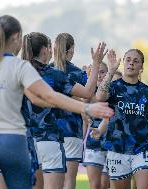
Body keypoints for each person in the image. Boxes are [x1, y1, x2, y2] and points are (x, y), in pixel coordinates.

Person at [0, 15, 113, 189]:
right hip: (11, 139)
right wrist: (87, 107)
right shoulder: (20, 67)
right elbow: (47, 97)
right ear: (16, 38)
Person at [21, 32, 107, 189]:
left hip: (25, 140)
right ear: (46, 50)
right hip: (51, 138)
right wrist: (96, 64)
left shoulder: (17, 71)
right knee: (68, 182)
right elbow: (89, 92)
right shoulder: (54, 74)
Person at [95, 49, 148, 189]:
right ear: (123, 63)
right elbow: (99, 97)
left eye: (136, 61)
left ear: (141, 67)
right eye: (128, 60)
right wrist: (110, 71)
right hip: (117, 150)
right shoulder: (114, 88)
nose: (131, 63)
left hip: (142, 150)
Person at [53, 33, 102, 189]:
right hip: (72, 130)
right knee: (69, 180)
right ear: (72, 49)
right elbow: (92, 94)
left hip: (49, 130)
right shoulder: (76, 73)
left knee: (51, 179)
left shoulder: (46, 70)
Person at [83, 62, 114, 189]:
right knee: (95, 186)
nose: (100, 75)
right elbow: (82, 111)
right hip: (93, 143)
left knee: (103, 185)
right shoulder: (88, 92)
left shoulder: (113, 91)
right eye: (97, 72)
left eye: (103, 72)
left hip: (110, 144)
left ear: (107, 74)